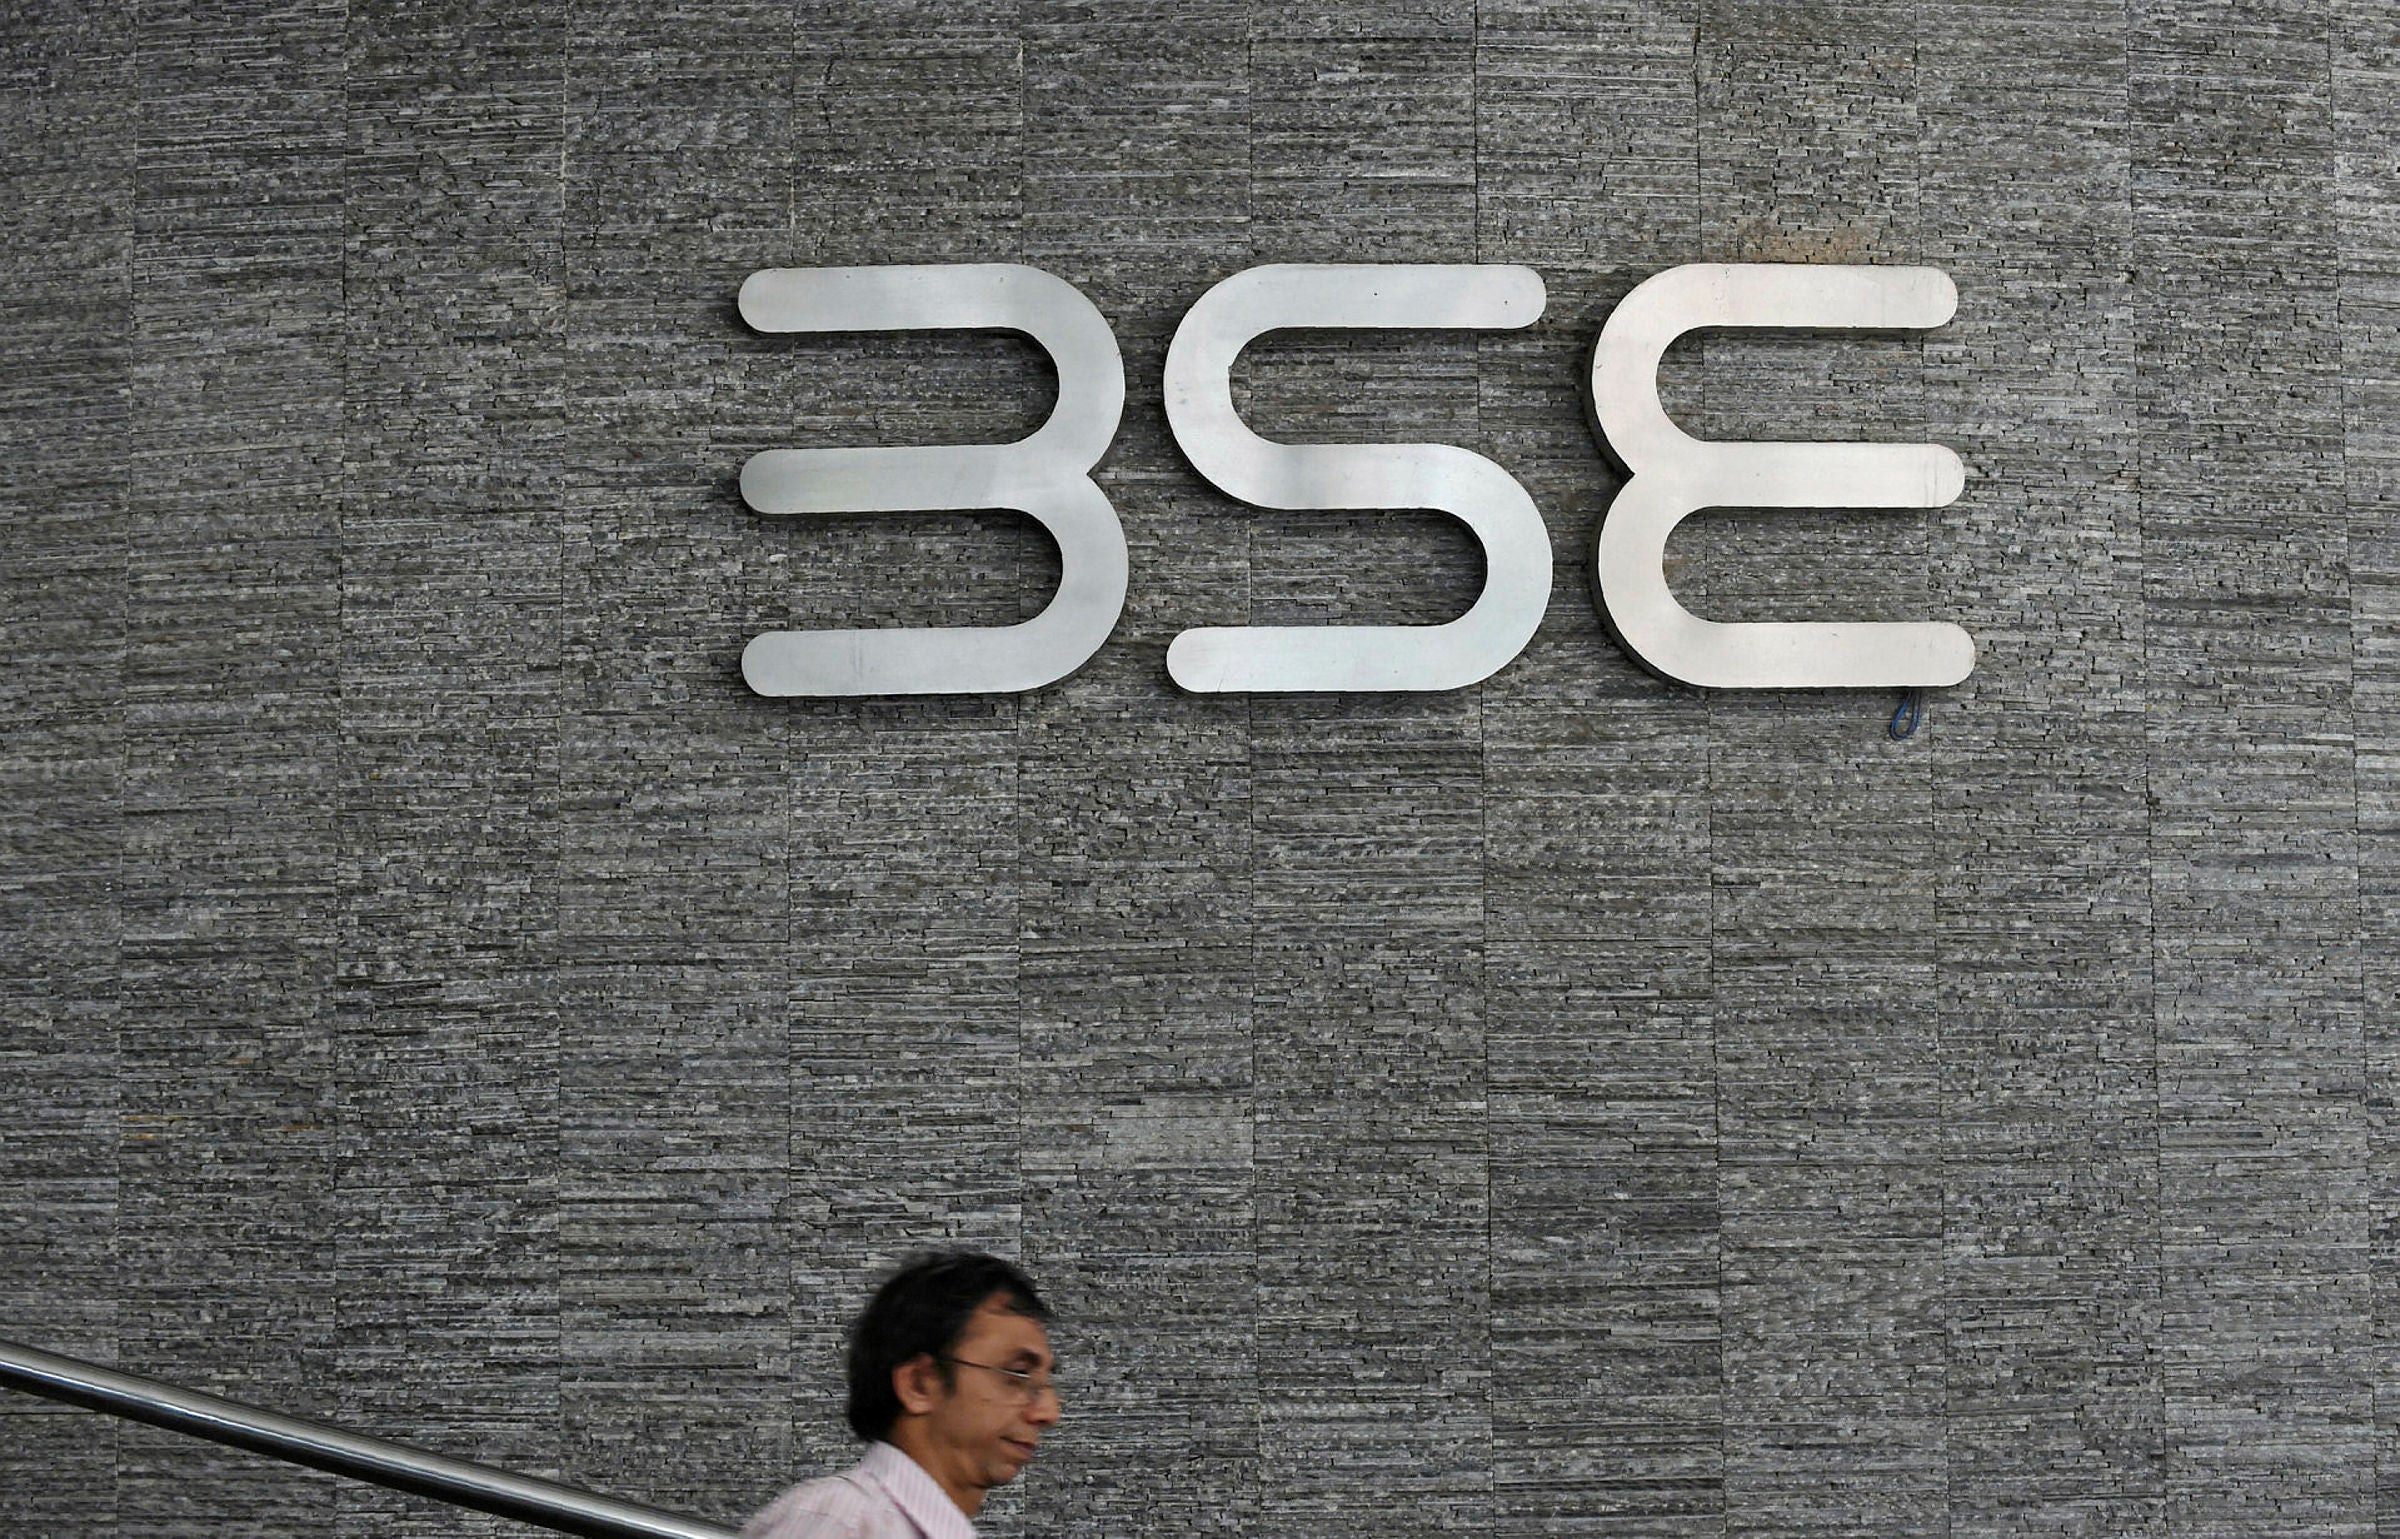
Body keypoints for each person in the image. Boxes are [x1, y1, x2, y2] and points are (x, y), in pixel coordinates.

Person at [740, 1251, 1062, 1539]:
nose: (1049, 1412)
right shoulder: (842, 1522)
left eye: (1045, 1382)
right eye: (1018, 1373)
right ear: (920, 1384)